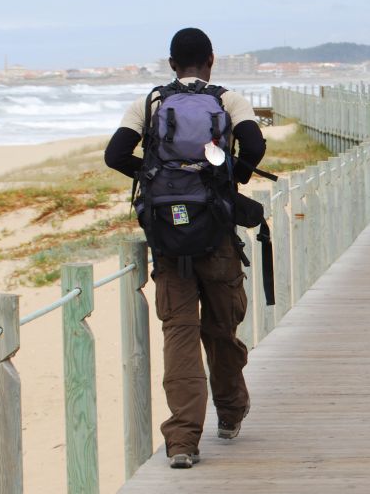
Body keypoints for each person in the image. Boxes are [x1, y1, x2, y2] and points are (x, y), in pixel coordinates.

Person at [104, 27, 267, 469]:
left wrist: (154, 176)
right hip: (215, 234)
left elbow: (114, 155)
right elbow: (254, 144)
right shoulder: (228, 101)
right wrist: (229, 177)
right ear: (211, 60)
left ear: (171, 64)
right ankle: (230, 414)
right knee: (221, 329)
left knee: (179, 333)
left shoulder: (149, 103)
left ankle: (182, 442)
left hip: (169, 240)